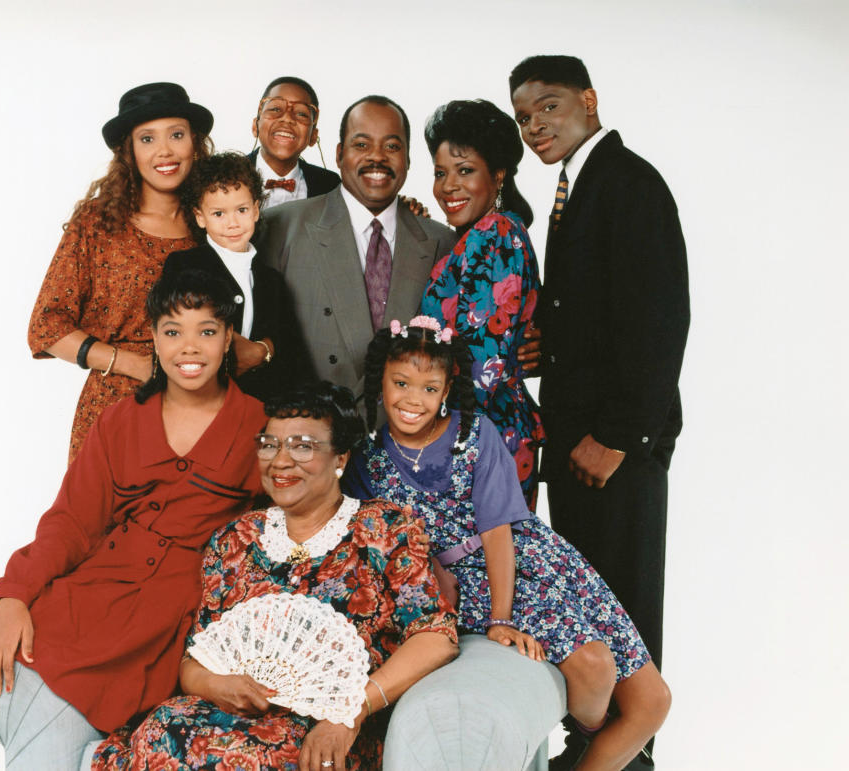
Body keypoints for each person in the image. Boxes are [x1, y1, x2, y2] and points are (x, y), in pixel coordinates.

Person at [0, 267, 266, 771]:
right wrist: (15, 598)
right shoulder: (122, 418)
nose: (189, 347)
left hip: (163, 605)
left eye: (206, 331)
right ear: (153, 339)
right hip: (100, 580)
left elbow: (278, 528)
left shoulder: (257, 424)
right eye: (172, 332)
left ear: (229, 338)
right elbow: (72, 522)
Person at [345, 318, 672, 771]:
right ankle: (586, 735)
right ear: (380, 379)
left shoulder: (475, 434)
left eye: (428, 387)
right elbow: (383, 545)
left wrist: (502, 618)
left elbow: (498, 532)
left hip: (529, 563)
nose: (412, 400)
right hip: (465, 583)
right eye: (401, 383)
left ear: (445, 391)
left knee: (653, 703)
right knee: (595, 668)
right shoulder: (366, 462)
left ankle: (583, 748)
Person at [91, 382, 458, 770]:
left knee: (243, 760)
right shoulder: (234, 541)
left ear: (340, 459)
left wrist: (350, 711)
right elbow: (194, 662)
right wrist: (218, 685)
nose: (280, 461)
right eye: (269, 445)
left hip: (328, 728)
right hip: (228, 716)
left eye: (302, 446)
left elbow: (436, 637)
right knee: (160, 730)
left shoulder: (384, 529)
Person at [509, 55, 689, 768]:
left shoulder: (628, 183)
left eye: (548, 107)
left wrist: (618, 436)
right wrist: (543, 347)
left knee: (626, 618)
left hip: (613, 450)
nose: (535, 126)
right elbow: (599, 309)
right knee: (591, 612)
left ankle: (629, 757)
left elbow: (660, 317)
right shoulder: (575, 188)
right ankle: (595, 749)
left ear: (588, 98)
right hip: (578, 446)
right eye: (524, 117)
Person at [28, 82, 214, 463]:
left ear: (195, 143)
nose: (165, 150)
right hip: (115, 408)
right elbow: (46, 326)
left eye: (176, 135)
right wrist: (131, 364)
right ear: (129, 151)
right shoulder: (98, 223)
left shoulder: (214, 224)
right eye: (147, 139)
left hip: (201, 408)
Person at [257, 95, 458, 410]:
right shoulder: (280, 227)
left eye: (392, 147)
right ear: (339, 154)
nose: (377, 158)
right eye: (362, 145)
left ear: (408, 158)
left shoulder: (443, 243)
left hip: (406, 445)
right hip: (310, 438)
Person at [418, 99, 545, 510]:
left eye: (465, 170)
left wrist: (421, 431)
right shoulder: (483, 235)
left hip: (481, 435)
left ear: (499, 174)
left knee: (484, 568)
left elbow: (482, 362)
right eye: (440, 173)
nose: (448, 186)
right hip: (484, 428)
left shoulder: (495, 233)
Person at [172, 151, 313, 400]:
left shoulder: (271, 278)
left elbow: (289, 345)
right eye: (219, 214)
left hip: (260, 407)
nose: (233, 223)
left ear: (256, 210)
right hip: (203, 402)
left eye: (242, 210)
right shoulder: (185, 267)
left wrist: (264, 349)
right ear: (200, 217)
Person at [247, 75, 340, 209]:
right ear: (255, 126)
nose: (287, 118)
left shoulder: (330, 186)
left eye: (301, 113)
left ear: (313, 136)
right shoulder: (223, 177)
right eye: (275, 109)